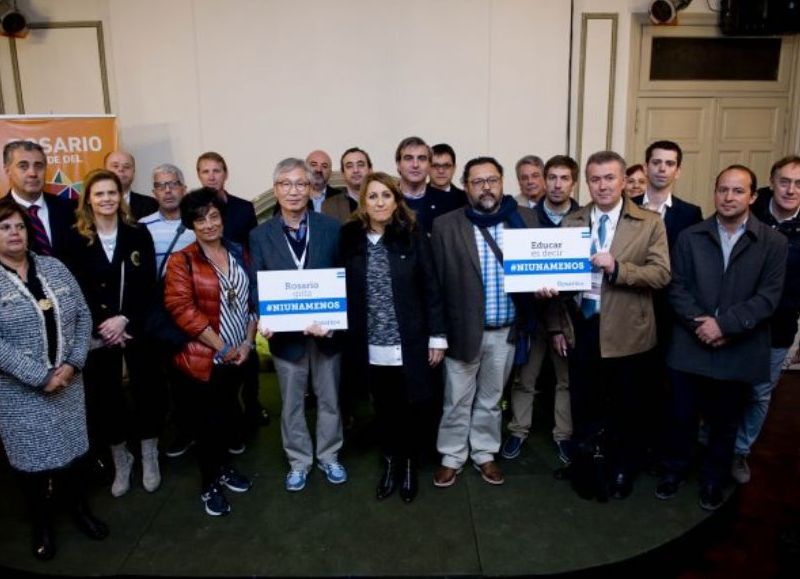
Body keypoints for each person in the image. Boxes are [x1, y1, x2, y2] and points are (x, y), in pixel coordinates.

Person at [657, 165, 786, 510]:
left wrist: (724, 326)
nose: (729, 197)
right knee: (681, 415)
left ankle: (713, 480)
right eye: (723, 190)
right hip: (690, 342)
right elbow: (676, 286)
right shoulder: (690, 236)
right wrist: (701, 324)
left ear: (753, 197)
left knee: (724, 423)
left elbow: (768, 297)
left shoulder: (773, 243)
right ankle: (675, 471)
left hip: (738, 346)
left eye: (738, 191)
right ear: (714, 193)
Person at [549, 150, 670, 501]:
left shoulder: (649, 222)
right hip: (581, 326)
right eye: (595, 179)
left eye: (609, 178)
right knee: (584, 403)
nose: (602, 186)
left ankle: (621, 468)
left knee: (625, 407)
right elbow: (557, 283)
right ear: (586, 182)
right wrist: (556, 324)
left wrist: (619, 268)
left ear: (624, 181)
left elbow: (662, 274)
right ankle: (585, 466)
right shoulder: (572, 220)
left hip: (627, 330)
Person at [0, 198, 109, 560]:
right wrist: (40, 376)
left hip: (68, 384)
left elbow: (82, 315)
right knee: (31, 464)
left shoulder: (53, 267)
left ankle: (80, 511)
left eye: (18, 226)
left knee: (74, 455)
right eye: (4, 228)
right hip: (19, 393)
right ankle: (42, 524)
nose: (14, 233)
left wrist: (74, 364)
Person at [431, 156, 541, 488]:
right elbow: (435, 284)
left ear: (502, 182)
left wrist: (545, 288)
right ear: (466, 187)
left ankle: (484, 453)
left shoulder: (525, 219)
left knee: (492, 398)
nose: (486, 187)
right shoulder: (446, 225)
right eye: (478, 182)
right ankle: (451, 456)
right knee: (456, 399)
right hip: (463, 331)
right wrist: (437, 333)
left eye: (492, 179)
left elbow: (539, 270)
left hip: (506, 331)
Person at [340, 172, 447, 503]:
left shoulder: (413, 235)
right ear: (363, 203)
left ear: (396, 200)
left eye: (386, 195)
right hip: (369, 342)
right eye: (372, 196)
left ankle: (411, 465)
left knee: (412, 407)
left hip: (410, 340)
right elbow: (337, 286)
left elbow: (431, 287)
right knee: (383, 408)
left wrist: (437, 336)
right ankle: (389, 464)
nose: (379, 202)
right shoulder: (350, 237)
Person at [250, 158, 347, 492]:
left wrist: (334, 322)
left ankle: (329, 456)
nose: (293, 191)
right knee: (291, 404)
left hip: (326, 336)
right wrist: (266, 316)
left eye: (300, 184)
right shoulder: (260, 235)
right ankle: (299, 462)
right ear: (276, 189)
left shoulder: (331, 228)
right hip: (286, 339)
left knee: (330, 398)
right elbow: (256, 283)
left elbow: (342, 279)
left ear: (311, 188)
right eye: (286, 184)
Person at [65, 169, 161, 499]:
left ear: (120, 197)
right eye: (99, 193)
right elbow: (73, 290)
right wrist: (104, 326)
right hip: (96, 335)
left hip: (135, 330)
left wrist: (125, 320)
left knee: (146, 392)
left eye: (112, 193)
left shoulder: (137, 233)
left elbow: (149, 284)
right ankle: (122, 459)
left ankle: (149, 455)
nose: (107, 199)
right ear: (88, 199)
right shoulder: (74, 238)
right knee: (107, 400)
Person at [164, 187, 256, 516]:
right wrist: (224, 347)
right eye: (200, 219)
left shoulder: (239, 251)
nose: (208, 224)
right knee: (207, 427)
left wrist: (246, 344)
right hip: (202, 361)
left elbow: (250, 303)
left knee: (229, 419)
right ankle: (209, 484)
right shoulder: (182, 260)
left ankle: (224, 469)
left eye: (213, 216)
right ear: (191, 224)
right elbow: (182, 309)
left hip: (237, 356)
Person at [502, 155, 580, 464]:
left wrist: (558, 325)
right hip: (532, 316)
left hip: (568, 319)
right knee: (525, 378)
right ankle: (518, 430)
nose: (557, 184)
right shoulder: (526, 216)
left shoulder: (583, 218)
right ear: (544, 180)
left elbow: (579, 277)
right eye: (552, 178)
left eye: (565, 178)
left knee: (565, 380)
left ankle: (563, 436)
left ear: (574, 183)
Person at [731, 156, 800, 485]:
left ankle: (740, 450)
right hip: (737, 320)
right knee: (727, 387)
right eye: (785, 181)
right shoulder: (746, 212)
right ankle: (712, 441)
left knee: (759, 393)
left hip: (779, 325)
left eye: (799, 184)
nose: (791, 189)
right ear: (770, 183)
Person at [196, 151, 267, 445]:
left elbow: (252, 245)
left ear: (226, 174)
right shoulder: (195, 207)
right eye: (206, 171)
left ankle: (252, 405)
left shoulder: (243, 207)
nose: (212, 176)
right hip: (211, 288)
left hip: (241, 279)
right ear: (199, 175)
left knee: (248, 360)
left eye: (217, 171)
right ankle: (228, 417)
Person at [139, 164, 197, 460]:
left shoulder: (198, 221)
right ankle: (184, 432)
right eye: (161, 185)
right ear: (154, 192)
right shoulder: (142, 226)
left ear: (184, 188)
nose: (168, 190)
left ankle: (213, 432)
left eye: (173, 184)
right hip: (164, 316)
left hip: (199, 311)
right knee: (174, 377)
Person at [3, 140, 76, 260]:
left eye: (39, 166)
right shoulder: (1, 213)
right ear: (8, 171)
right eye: (23, 166)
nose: (32, 173)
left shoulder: (71, 208)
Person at [396, 136, 465, 234]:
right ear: (398, 165)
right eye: (408, 158)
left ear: (429, 165)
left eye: (422, 158)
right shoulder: (385, 199)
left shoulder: (450, 201)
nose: (415, 164)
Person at [104, 150, 159, 220]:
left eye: (126, 167)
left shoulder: (151, 204)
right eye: (115, 166)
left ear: (134, 172)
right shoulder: (95, 205)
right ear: (105, 171)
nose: (121, 169)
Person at [322, 147, 372, 224]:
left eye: (360, 165)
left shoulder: (382, 200)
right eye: (349, 166)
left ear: (370, 170)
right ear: (343, 174)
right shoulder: (330, 205)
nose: (356, 170)